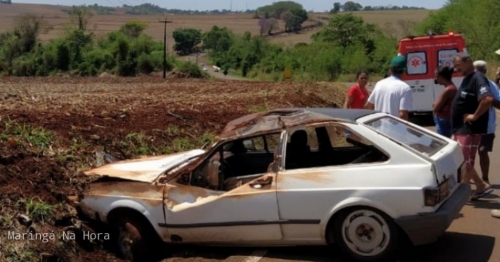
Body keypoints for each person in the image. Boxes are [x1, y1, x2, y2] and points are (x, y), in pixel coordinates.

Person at [451, 53, 493, 200]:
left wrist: (474, 116)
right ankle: (480, 185)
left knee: (464, 162)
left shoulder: (477, 78)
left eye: (458, 65)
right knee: (463, 161)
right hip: (460, 129)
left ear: (468, 61)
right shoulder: (467, 79)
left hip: (469, 130)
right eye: (455, 66)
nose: (456, 69)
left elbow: (487, 99)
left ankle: (462, 192)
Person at [473, 60, 500, 184]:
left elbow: (499, 104)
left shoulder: (491, 85)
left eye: (478, 71)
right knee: (469, 154)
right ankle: (470, 179)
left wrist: (488, 100)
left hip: (487, 126)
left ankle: (485, 178)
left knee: (483, 151)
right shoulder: (468, 84)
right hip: (469, 126)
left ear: (484, 72)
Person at [365, 55, 413, 121]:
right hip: (394, 129)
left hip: (377, 128)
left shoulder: (379, 84)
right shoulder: (405, 88)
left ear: (390, 69)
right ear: (404, 70)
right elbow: (403, 114)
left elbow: (368, 106)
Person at [432, 66, 457, 138]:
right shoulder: (451, 87)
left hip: (444, 121)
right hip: (446, 119)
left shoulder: (448, 89)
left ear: (440, 77)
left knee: (440, 143)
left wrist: (434, 105)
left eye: (436, 77)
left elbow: (436, 107)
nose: (436, 79)